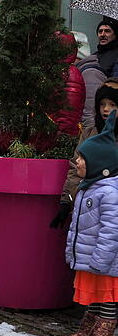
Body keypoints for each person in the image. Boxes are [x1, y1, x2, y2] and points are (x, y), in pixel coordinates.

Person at [62, 111, 118, 336]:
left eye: (83, 159)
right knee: (95, 293)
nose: (78, 163)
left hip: (105, 260)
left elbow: (112, 230)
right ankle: (91, 325)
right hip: (92, 257)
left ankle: (104, 332)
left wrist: (101, 258)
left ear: (101, 165)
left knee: (106, 295)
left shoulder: (110, 192)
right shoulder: (90, 187)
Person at [52, 80, 118, 228]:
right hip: (87, 205)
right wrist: (67, 201)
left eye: (112, 105)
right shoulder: (89, 133)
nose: (106, 109)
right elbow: (76, 168)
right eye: (102, 104)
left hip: (112, 207)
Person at [77, 18, 118, 126]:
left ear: (115, 34)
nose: (102, 34)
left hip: (108, 110)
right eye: (100, 31)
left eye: (107, 31)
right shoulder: (93, 56)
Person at [50, 32, 87, 137]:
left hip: (58, 140)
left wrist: (60, 140)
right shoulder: (54, 71)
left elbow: (68, 115)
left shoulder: (69, 74)